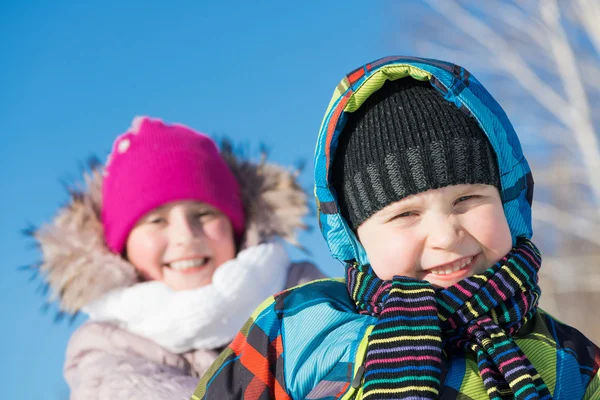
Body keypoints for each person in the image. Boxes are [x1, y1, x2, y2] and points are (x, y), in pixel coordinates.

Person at [192, 57, 600, 400]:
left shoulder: (568, 357)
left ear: (507, 202)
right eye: (406, 215)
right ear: (356, 237)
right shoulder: (298, 326)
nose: (445, 236)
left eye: (467, 200)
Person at [31, 116, 323, 399]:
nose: (186, 235)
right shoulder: (104, 350)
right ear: (121, 249)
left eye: (204, 214)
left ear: (237, 225)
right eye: (156, 221)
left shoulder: (305, 294)